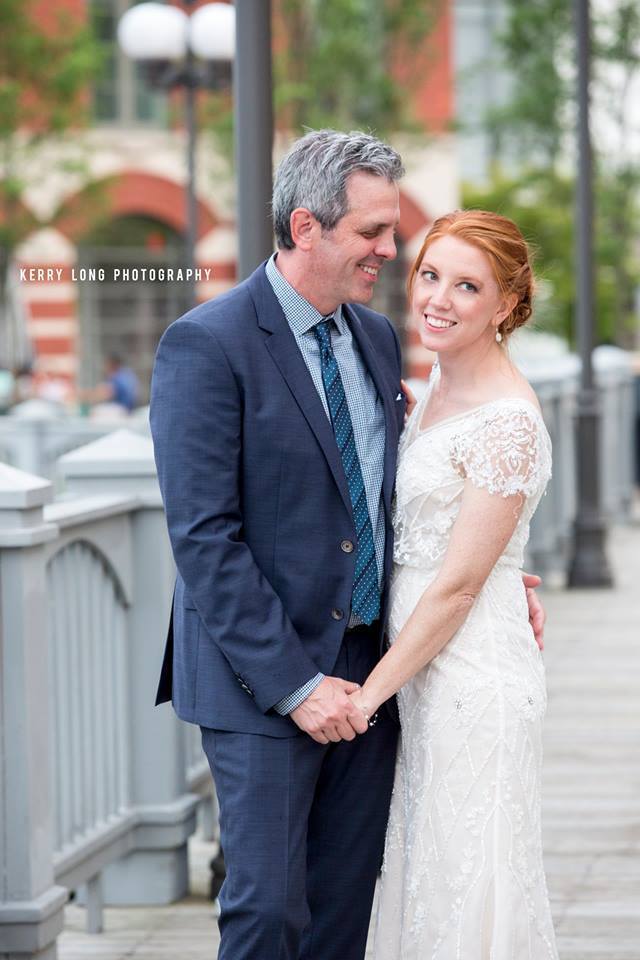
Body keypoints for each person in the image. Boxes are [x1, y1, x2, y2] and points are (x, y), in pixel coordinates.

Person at [149, 131, 546, 960]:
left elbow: (396, 494)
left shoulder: (376, 340)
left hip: (376, 672)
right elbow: (204, 539)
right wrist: (297, 687)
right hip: (263, 681)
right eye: (372, 232)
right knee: (266, 913)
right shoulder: (207, 344)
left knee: (342, 915)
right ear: (305, 226)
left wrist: (497, 572)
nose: (390, 251)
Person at [347, 210, 559, 958]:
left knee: (469, 880)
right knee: (425, 876)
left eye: (467, 286)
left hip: (472, 681)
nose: (438, 298)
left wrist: (366, 696)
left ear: (506, 304)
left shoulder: (509, 422)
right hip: (425, 678)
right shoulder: (433, 381)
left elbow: (459, 588)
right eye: (430, 275)